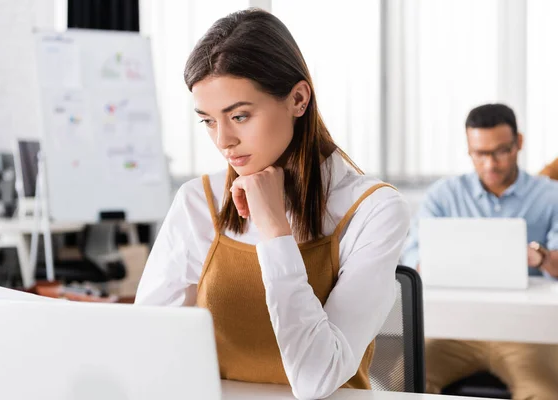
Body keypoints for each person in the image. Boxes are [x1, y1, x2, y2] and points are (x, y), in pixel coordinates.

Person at [135, 8, 410, 399]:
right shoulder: (199, 201)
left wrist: (274, 231)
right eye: (208, 121)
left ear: (298, 99)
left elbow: (316, 378)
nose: (223, 140)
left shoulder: (373, 210)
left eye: (240, 116)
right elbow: (147, 345)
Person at [402, 103, 558, 399]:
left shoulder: (551, 195)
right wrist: (438, 259)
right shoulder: (443, 196)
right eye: (480, 154)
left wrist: (541, 256)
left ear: (518, 144)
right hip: (452, 331)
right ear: (469, 150)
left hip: (527, 334)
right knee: (398, 381)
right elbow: (412, 261)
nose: (491, 164)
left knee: (546, 392)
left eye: (501, 151)